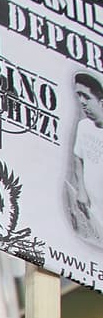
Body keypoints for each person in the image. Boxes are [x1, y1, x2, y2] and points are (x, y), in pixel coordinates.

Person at [67, 72, 103, 243]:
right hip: (90, 208)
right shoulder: (84, 126)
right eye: (79, 96)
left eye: (86, 97)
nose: (82, 102)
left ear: (101, 101)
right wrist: (81, 189)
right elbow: (77, 159)